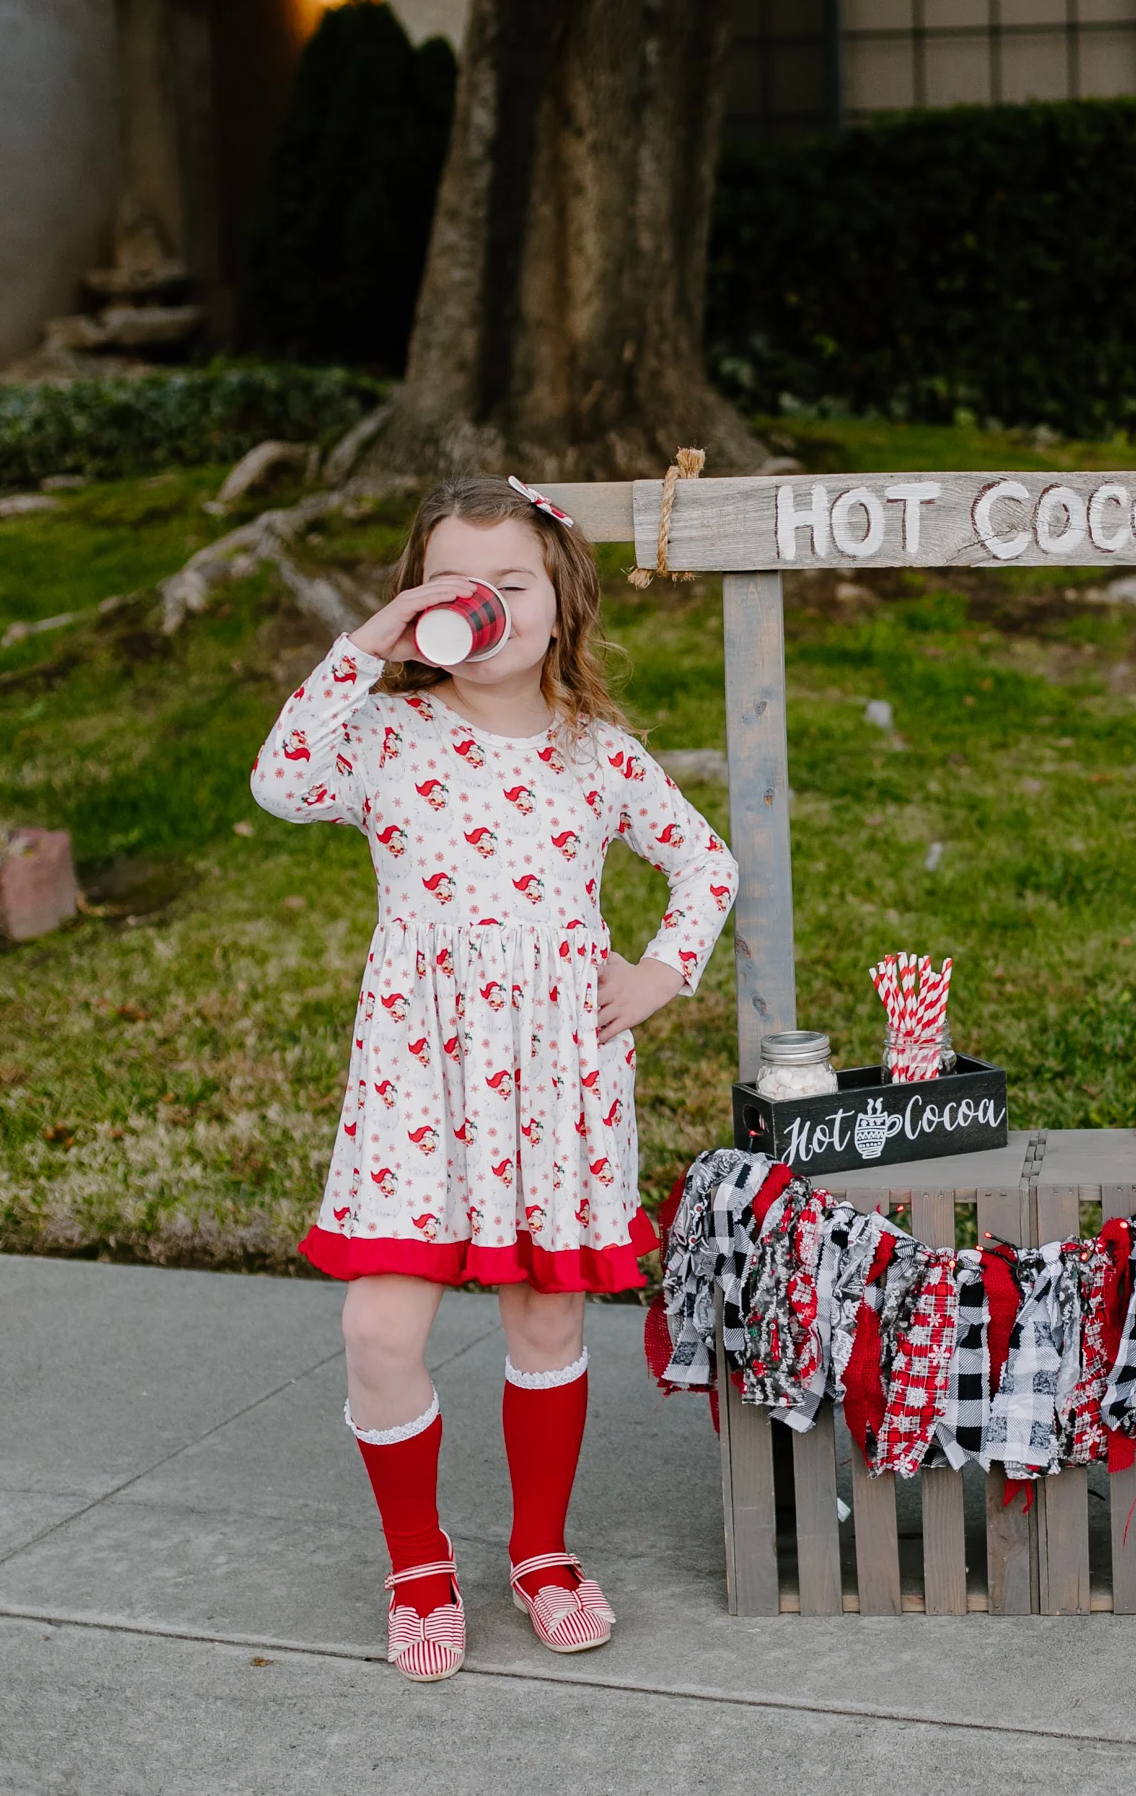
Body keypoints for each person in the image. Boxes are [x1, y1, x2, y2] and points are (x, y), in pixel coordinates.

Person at [251, 474, 736, 1681]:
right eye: (451, 587)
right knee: (377, 1326)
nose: (484, 609)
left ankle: (540, 1552)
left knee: (547, 1315)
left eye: (510, 585)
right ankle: (417, 1562)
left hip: (556, 1078)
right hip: (418, 1079)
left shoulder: (598, 754)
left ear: (561, 601)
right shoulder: (383, 736)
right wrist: (367, 645)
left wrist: (660, 973)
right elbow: (280, 779)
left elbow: (705, 865)